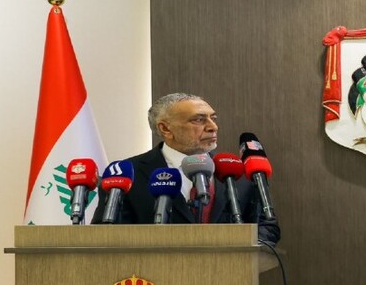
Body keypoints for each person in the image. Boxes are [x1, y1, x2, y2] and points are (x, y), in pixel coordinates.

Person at [92, 93, 280, 244]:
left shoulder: (239, 173)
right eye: (198, 120)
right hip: (153, 277)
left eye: (213, 118)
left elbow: (267, 228)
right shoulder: (126, 174)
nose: (213, 127)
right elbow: (108, 233)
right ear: (165, 129)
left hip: (230, 276)